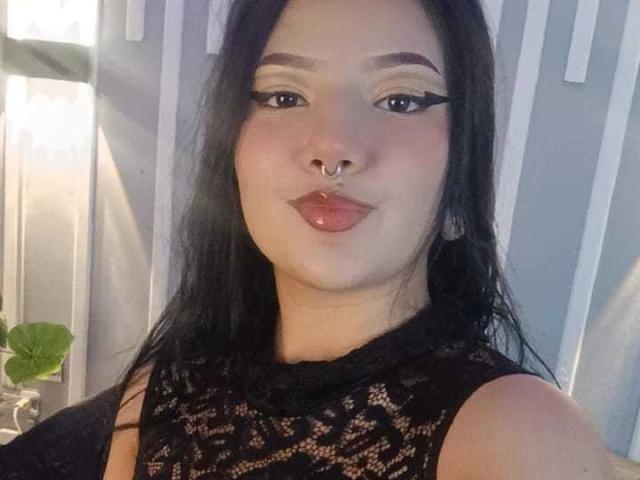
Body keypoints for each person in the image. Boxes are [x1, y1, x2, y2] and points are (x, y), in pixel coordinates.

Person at [0, 0, 615, 478]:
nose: (332, 147)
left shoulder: (520, 435)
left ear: (461, 180)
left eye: (400, 100)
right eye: (284, 95)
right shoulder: (163, 391)